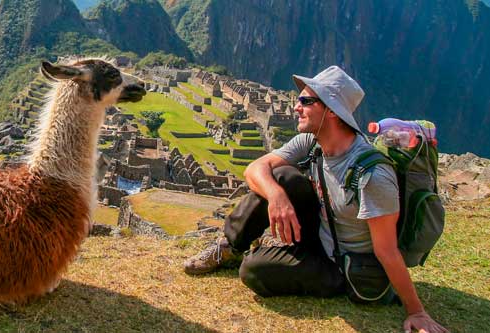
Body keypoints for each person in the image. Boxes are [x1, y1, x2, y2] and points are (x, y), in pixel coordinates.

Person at [183, 66, 448, 333]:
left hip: (344, 265)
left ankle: (271, 257)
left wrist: (417, 311)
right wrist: (276, 197)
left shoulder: (372, 175)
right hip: (320, 234)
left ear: (332, 111)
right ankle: (228, 248)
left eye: (306, 101)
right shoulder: (312, 142)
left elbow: (386, 251)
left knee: (254, 270)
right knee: (282, 177)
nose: (296, 106)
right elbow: (255, 169)